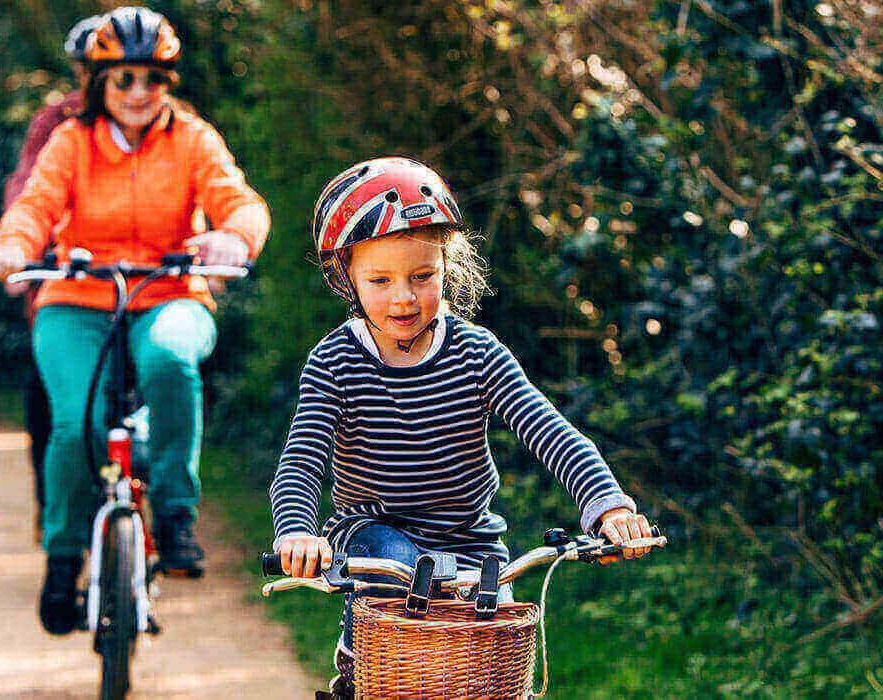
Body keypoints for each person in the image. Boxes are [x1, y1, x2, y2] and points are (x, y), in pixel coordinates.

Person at [269, 157, 653, 685]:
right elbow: (302, 461)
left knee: (495, 669)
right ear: (346, 277)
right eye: (380, 279)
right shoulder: (335, 362)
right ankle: (361, 658)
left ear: (447, 267)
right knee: (400, 584)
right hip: (376, 537)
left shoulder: (476, 353)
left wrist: (607, 508)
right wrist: (297, 532)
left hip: (473, 542)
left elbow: (551, 432)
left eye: (422, 276)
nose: (403, 297)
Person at [0, 6, 270, 635]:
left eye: (154, 79)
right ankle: (63, 560)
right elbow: (34, 205)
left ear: (169, 83)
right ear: (99, 84)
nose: (140, 93)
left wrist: (234, 239)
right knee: (74, 424)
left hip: (169, 293)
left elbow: (240, 201)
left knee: (172, 359)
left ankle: (174, 514)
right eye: (124, 80)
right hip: (77, 299)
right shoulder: (70, 141)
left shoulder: (193, 138)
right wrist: (13, 247)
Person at [3, 13, 104, 548]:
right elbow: (27, 190)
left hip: (139, 287)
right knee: (50, 404)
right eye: (91, 67)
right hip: (64, 281)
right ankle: (53, 508)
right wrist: (22, 253)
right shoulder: (57, 122)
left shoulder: (160, 119)